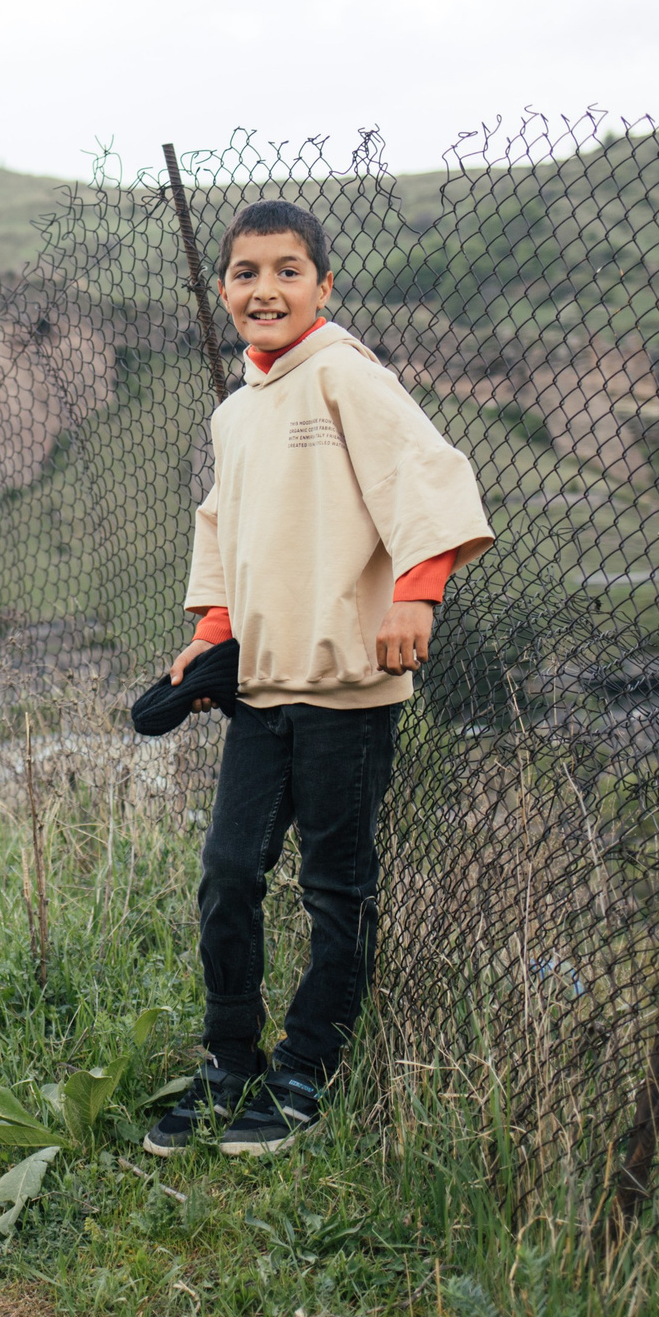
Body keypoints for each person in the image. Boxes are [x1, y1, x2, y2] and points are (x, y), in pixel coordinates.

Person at [144, 200, 493, 1160]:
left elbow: (426, 473)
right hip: (262, 688)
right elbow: (224, 525)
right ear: (222, 291)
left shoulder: (348, 375)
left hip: (347, 689)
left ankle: (309, 1066)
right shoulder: (236, 410)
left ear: (323, 285)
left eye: (288, 271)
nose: (267, 289)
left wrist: (416, 594)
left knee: (337, 887)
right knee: (227, 874)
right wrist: (213, 636)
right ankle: (230, 1060)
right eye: (247, 273)